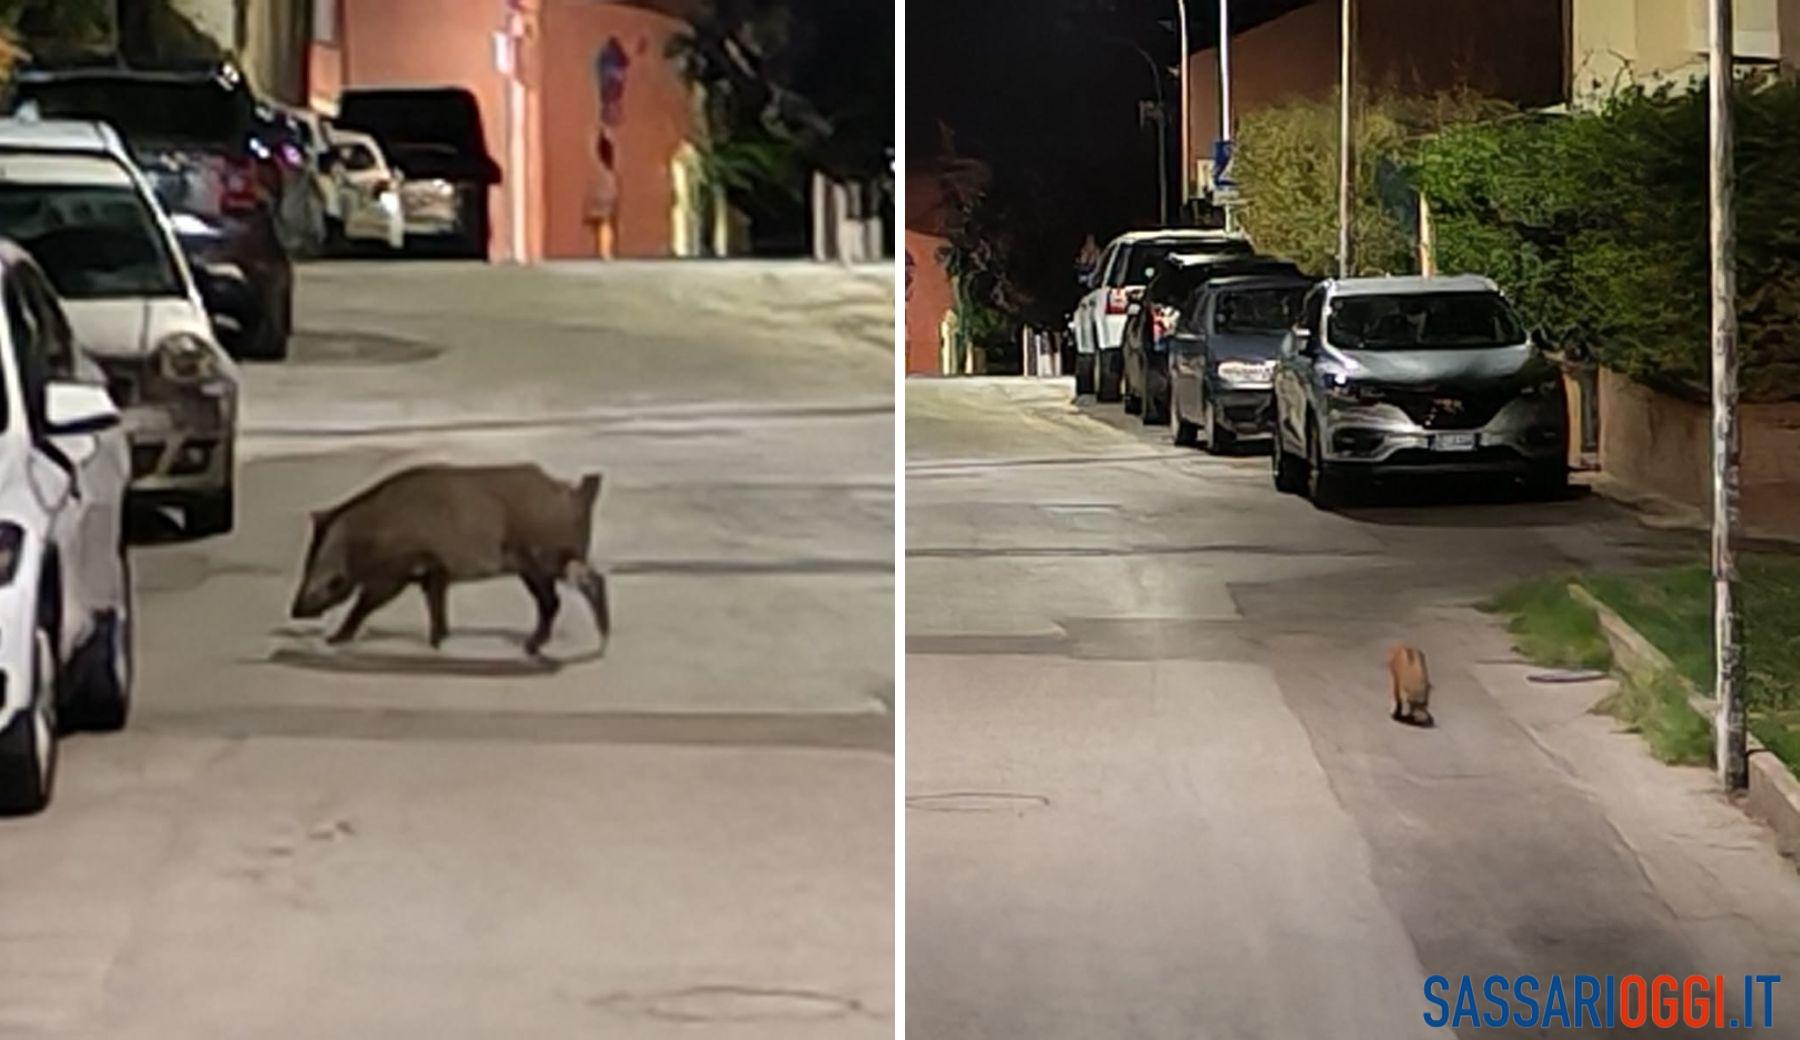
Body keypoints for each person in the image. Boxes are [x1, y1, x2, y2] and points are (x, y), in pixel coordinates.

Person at [589, 135, 620, 259]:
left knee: (604, 222)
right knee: (605, 222)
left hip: (604, 193)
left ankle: (604, 251)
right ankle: (605, 251)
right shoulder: (609, 174)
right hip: (606, 191)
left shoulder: (604, 173)